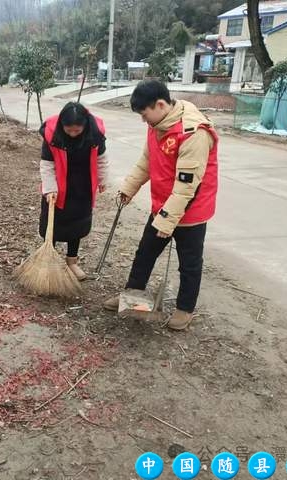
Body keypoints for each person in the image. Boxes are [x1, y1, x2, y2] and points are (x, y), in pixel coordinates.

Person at [103, 80, 219, 330]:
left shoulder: (193, 133)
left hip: (191, 212)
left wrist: (168, 221)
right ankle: (133, 298)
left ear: (160, 104)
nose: (144, 121)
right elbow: (148, 159)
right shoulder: (158, 124)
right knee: (145, 253)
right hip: (163, 205)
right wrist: (129, 187)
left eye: (145, 114)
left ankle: (184, 310)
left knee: (189, 263)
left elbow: (187, 186)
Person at [39, 102, 108, 280]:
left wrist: (102, 179)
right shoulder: (53, 134)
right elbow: (47, 164)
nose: (72, 134)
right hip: (58, 186)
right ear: (62, 125)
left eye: (77, 131)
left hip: (82, 186)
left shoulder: (95, 134)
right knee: (51, 224)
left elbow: (101, 159)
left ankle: (72, 262)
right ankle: (49, 261)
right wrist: (50, 189)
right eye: (68, 130)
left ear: (85, 125)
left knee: (77, 226)